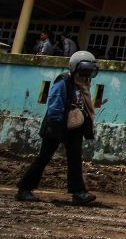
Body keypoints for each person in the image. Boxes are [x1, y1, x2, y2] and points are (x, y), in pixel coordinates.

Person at [16, 51, 99, 205]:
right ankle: (24, 189)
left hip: (75, 125)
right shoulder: (64, 81)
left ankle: (78, 193)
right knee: (44, 157)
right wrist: (57, 125)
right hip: (57, 124)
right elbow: (55, 105)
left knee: (75, 159)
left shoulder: (83, 83)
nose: (87, 74)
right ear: (75, 68)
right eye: (84, 70)